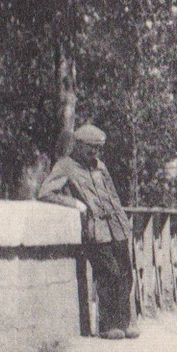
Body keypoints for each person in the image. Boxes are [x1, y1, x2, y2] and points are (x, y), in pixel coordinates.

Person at [37, 123, 138, 340]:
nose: (96, 153)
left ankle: (125, 322)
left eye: (98, 148)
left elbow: (113, 194)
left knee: (125, 273)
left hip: (116, 227)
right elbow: (45, 193)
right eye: (92, 148)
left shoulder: (100, 166)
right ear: (80, 146)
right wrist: (74, 203)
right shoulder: (66, 166)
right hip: (95, 230)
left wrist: (124, 223)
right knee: (108, 273)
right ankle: (108, 325)